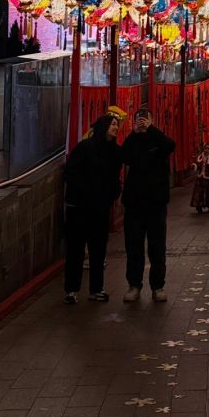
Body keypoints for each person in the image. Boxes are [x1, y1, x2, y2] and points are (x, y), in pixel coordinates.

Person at [63, 109, 124, 304]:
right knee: (75, 249)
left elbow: (116, 176)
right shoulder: (85, 148)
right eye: (113, 124)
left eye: (117, 125)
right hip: (79, 207)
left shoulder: (115, 151)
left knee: (98, 250)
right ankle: (71, 290)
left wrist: (113, 193)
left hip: (100, 208)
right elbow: (71, 173)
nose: (116, 128)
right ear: (104, 127)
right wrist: (88, 192)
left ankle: (96, 288)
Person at [120, 107, 175, 304]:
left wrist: (151, 129)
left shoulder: (158, 139)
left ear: (152, 120)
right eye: (139, 120)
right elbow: (123, 156)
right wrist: (133, 133)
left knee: (157, 247)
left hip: (156, 203)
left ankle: (157, 286)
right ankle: (134, 285)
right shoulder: (133, 140)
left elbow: (170, 146)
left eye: (145, 119)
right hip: (134, 203)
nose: (142, 122)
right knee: (134, 246)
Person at [190, 139, 209, 213]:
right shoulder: (201, 156)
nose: (206, 150)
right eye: (205, 148)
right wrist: (194, 166)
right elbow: (197, 163)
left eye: (208, 148)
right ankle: (199, 206)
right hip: (200, 178)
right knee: (199, 192)